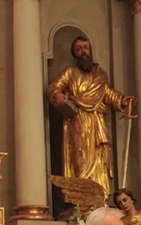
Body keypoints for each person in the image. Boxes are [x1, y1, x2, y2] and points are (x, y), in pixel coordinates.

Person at [47, 36, 134, 197]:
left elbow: (106, 93)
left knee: (100, 157)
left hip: (96, 121)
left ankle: (100, 196)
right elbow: (54, 86)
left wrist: (120, 99)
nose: (83, 51)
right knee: (80, 157)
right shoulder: (70, 72)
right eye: (79, 48)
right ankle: (82, 197)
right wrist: (57, 93)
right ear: (74, 53)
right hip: (77, 119)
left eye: (86, 47)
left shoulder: (99, 74)